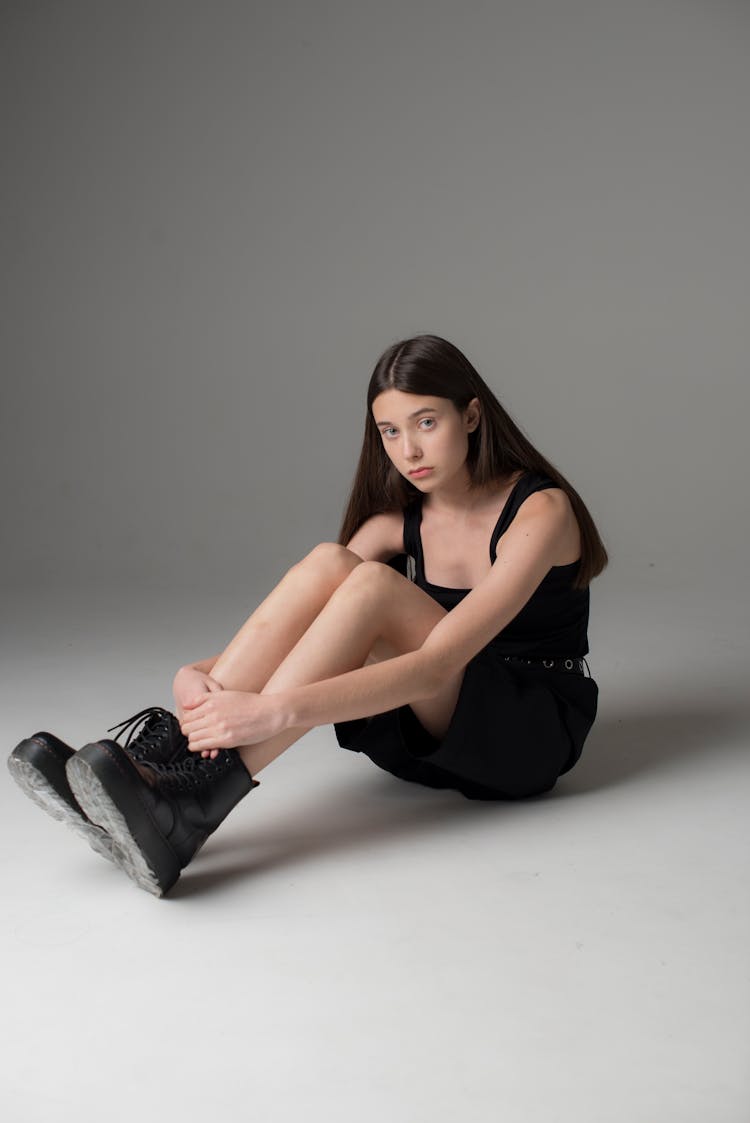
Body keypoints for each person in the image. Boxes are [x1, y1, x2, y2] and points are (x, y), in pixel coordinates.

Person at [8, 333, 607, 897]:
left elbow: (435, 666)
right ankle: (157, 775)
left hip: (524, 734)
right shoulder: (396, 523)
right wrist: (197, 672)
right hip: (432, 739)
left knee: (373, 585)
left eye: (427, 422)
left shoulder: (542, 510)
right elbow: (315, 615)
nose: (409, 451)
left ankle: (192, 810)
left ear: (471, 416)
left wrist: (274, 711)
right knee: (331, 563)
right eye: (390, 431)